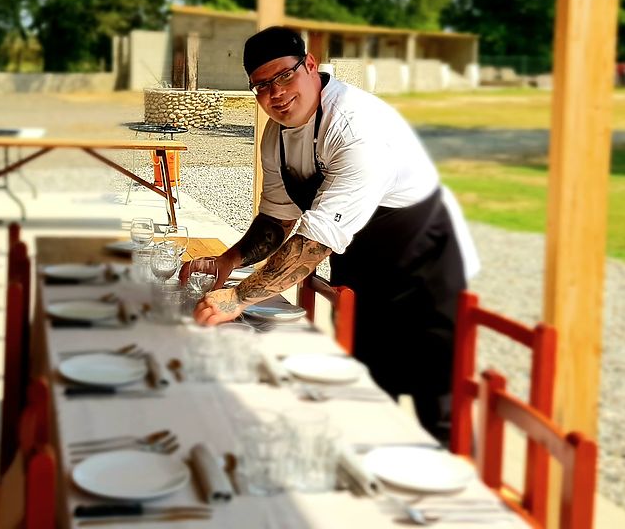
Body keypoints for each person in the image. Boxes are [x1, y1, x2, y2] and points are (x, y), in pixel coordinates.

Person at [180, 26, 479, 442]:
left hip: (425, 264)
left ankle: (458, 502)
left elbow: (315, 241)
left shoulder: (355, 126)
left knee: (438, 407)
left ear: (311, 66)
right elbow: (275, 220)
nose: (276, 93)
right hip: (360, 263)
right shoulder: (277, 136)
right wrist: (228, 261)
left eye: (284, 75)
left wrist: (239, 296)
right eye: (261, 86)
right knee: (365, 392)